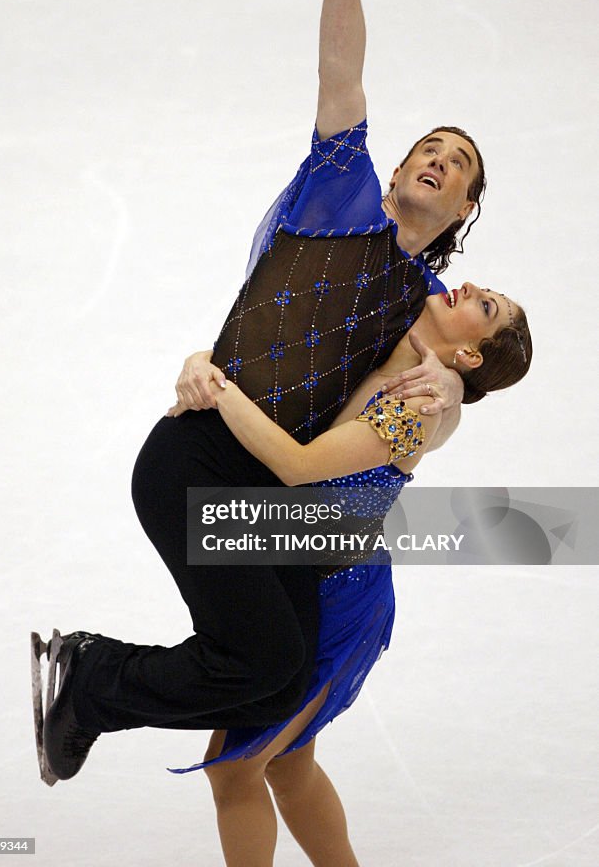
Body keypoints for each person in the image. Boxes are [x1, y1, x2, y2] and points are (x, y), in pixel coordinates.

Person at [36, 0, 490, 791]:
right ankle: (92, 677)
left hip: (273, 493)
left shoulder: (426, 304)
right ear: (394, 168)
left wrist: (450, 385)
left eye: (458, 165)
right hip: (200, 454)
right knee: (260, 662)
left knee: (276, 678)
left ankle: (96, 680)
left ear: (464, 209)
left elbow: (457, 381)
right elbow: (340, 70)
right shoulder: (338, 196)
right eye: (429, 149)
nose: (438, 161)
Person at [168, 282, 532, 867]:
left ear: (470, 354)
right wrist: (203, 358)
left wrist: (217, 386)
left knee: (235, 768)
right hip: (300, 572)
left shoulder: (418, 404)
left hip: (341, 597)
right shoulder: (396, 336)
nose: (466, 288)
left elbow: (298, 466)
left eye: (484, 306)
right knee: (289, 764)